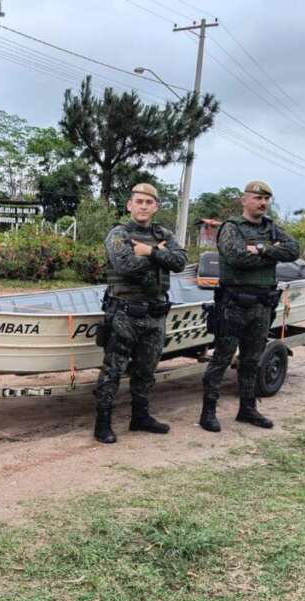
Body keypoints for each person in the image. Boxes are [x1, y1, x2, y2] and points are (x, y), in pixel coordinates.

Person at [199, 180, 299, 432]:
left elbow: (293, 250)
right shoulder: (232, 227)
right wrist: (270, 255)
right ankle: (208, 412)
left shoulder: (271, 228)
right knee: (221, 359)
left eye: (266, 199)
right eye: (257, 198)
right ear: (244, 200)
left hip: (262, 305)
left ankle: (247, 409)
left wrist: (262, 249)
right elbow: (235, 257)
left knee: (252, 360)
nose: (263, 203)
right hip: (233, 304)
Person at [93, 183, 187, 444]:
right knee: (113, 370)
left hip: (155, 313)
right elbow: (126, 266)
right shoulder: (118, 234)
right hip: (125, 313)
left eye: (149, 202)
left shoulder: (162, 233)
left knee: (146, 369)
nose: (144, 206)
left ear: (156, 206)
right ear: (129, 205)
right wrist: (161, 254)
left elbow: (180, 262)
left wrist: (149, 250)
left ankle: (140, 417)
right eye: (139, 201)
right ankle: (103, 423)